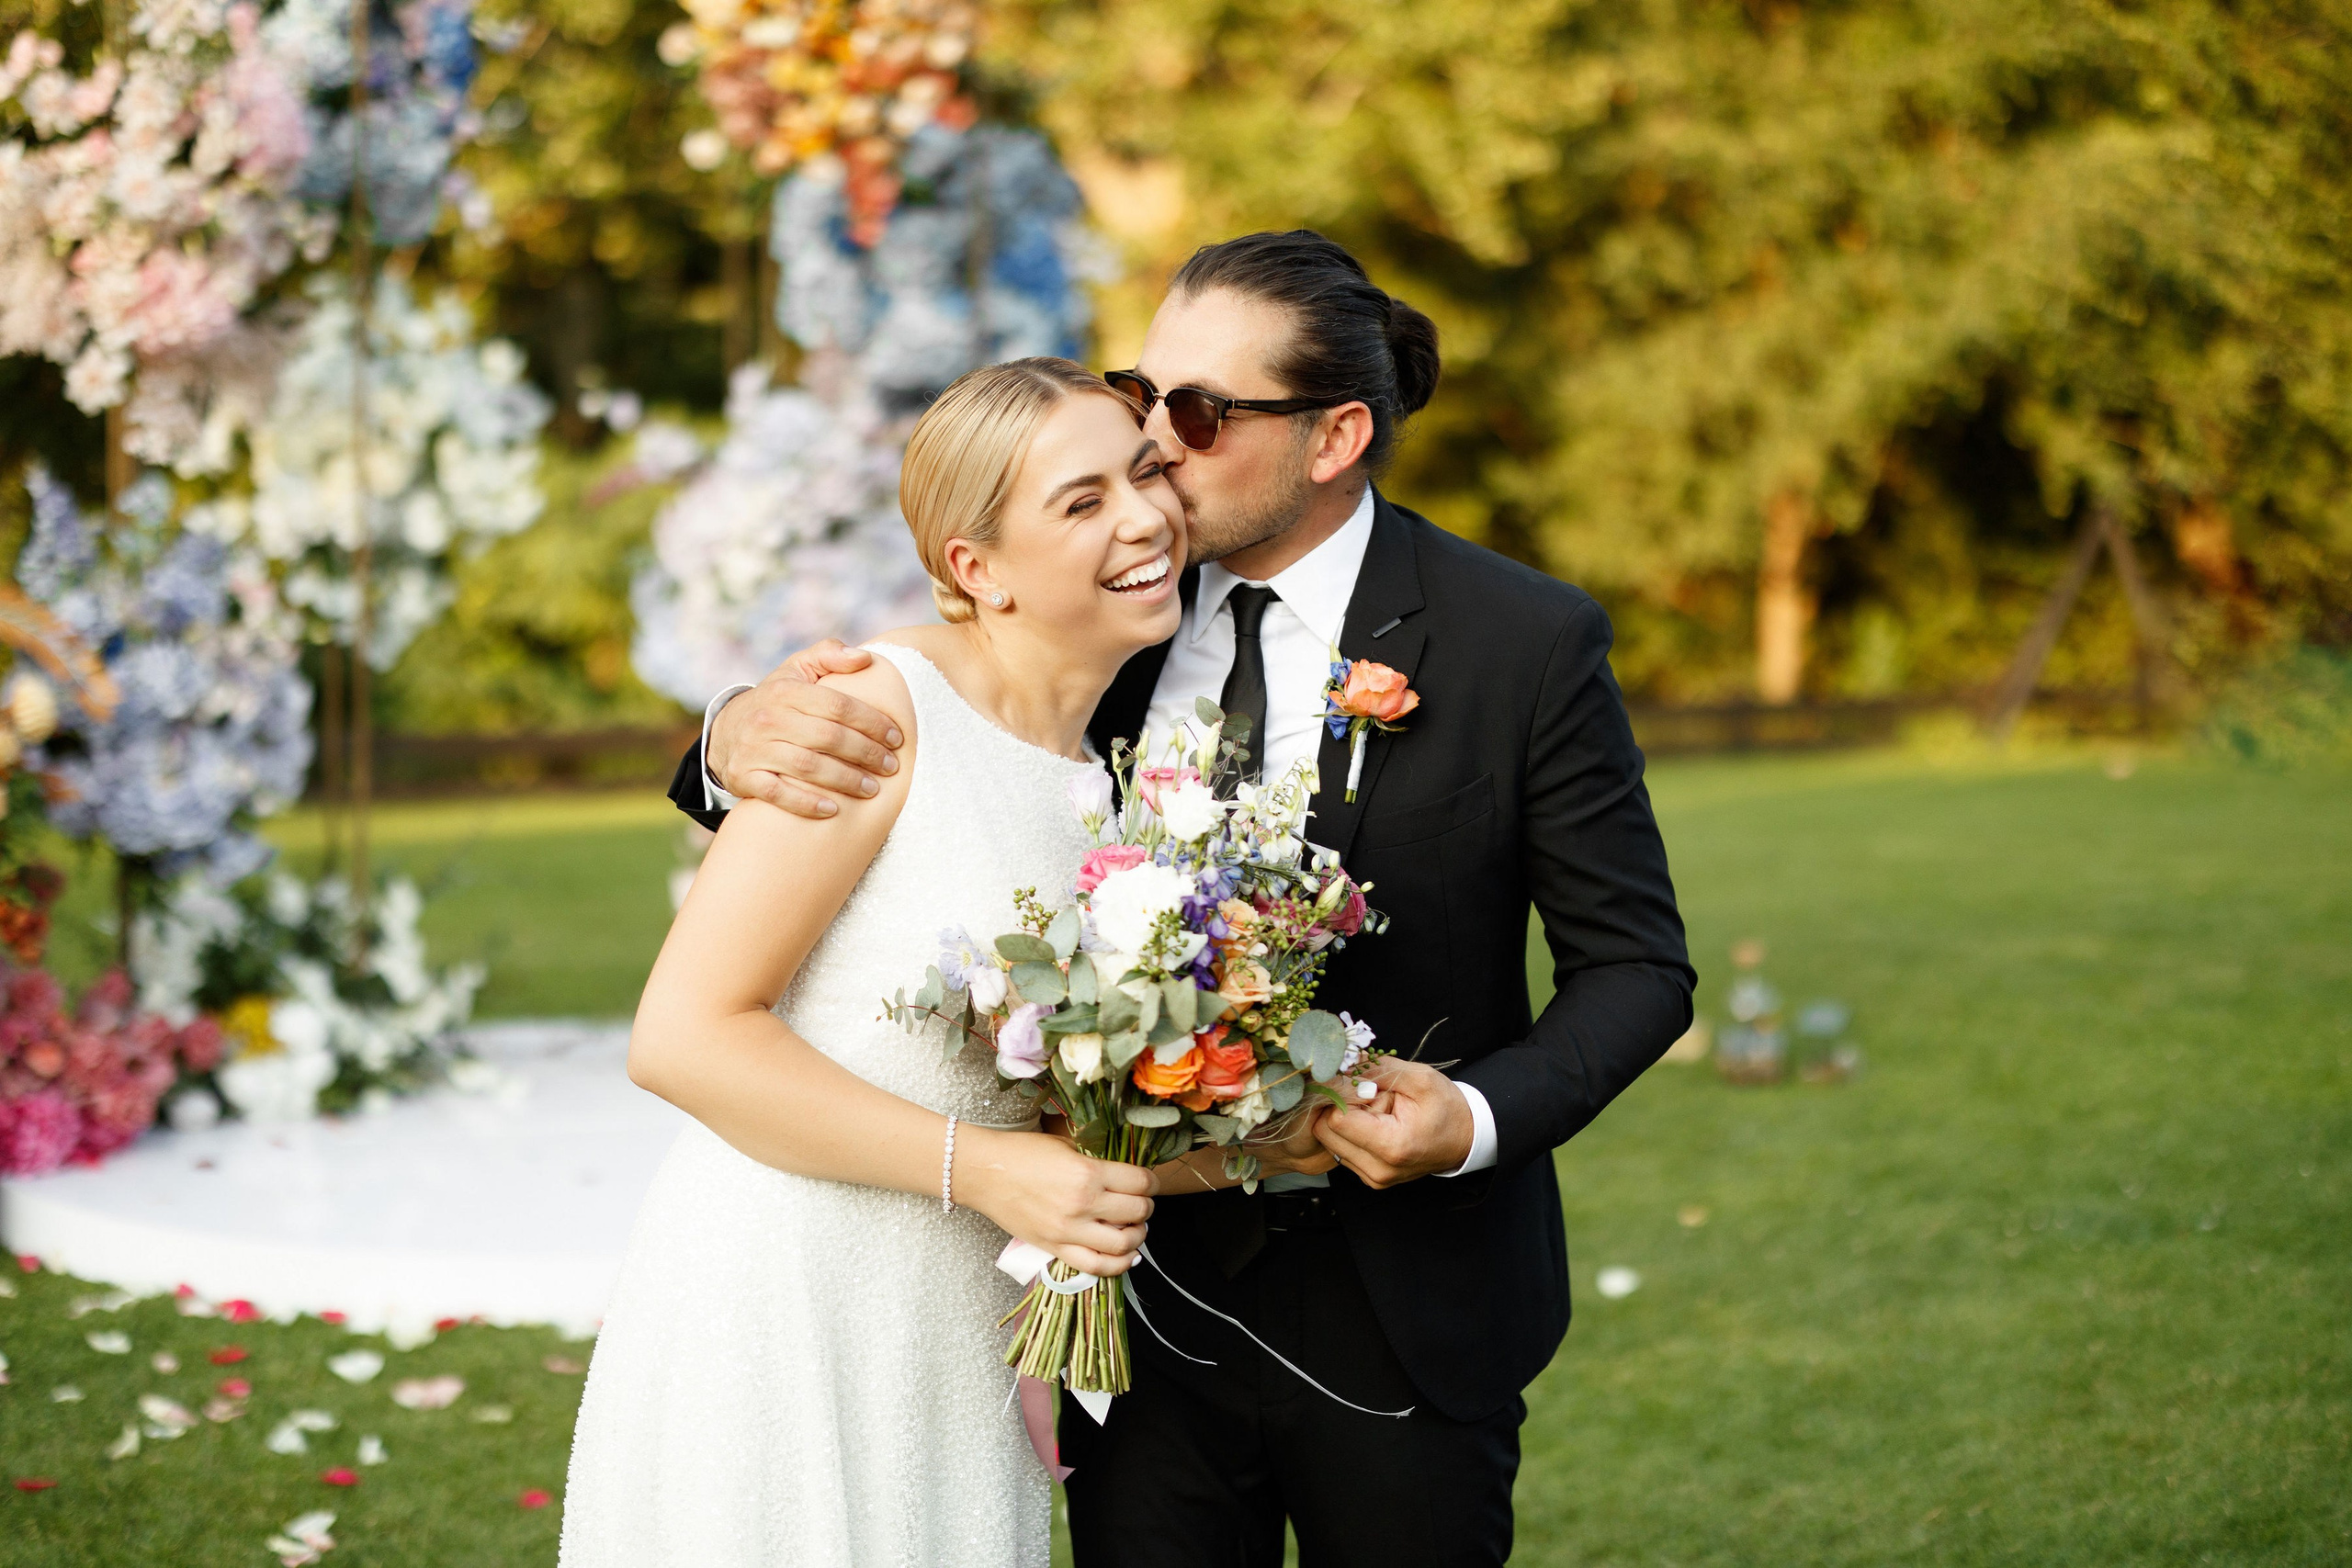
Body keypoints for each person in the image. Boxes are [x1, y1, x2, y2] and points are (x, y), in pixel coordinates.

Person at [672, 231, 1695, 1567]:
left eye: (1199, 418)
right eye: (1143, 396)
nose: (1154, 454)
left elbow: (1637, 968)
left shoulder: (1523, 642)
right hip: (1131, 1297)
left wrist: (1475, 1119)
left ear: (1333, 440)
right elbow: (925, 729)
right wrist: (727, 734)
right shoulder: (1100, 610)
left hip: (1411, 1305)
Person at [560, 358, 1334, 1568]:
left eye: (1143, 473)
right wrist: (986, 1173)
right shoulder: (877, 709)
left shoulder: (1118, 787)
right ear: (976, 569)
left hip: (955, 1329)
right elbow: (685, 1035)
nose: (1144, 518)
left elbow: (1064, 1122)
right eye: (1080, 504)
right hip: (790, 1305)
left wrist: (1281, 1130)